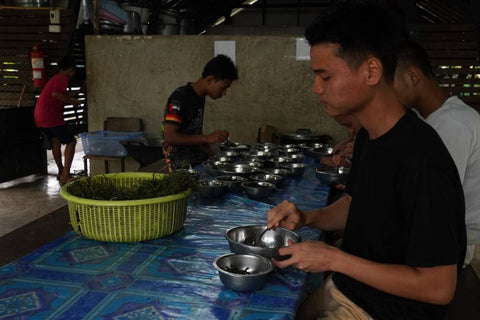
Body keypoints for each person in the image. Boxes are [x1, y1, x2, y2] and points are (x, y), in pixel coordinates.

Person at [267, 2, 466, 320]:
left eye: (326, 76)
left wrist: (333, 259)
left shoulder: (422, 160)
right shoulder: (370, 138)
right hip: (351, 289)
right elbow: (357, 203)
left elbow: (439, 287)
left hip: (386, 310)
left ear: (371, 71)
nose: (316, 87)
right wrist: (308, 217)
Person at [394, 39, 480, 266]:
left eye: (388, 84)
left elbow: (434, 199)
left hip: (462, 243)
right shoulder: (428, 117)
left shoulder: (453, 124)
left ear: (412, 77)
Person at [161, 54, 239, 170]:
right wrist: (206, 138)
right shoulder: (180, 97)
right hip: (180, 165)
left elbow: (193, 131)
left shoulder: (199, 97)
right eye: (223, 88)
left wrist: (209, 151)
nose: (224, 93)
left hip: (196, 159)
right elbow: (170, 136)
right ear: (210, 80)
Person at [34, 56, 81, 185]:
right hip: (51, 118)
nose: (73, 74)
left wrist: (79, 92)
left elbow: (61, 95)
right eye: (73, 71)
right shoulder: (62, 78)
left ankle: (61, 171)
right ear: (70, 70)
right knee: (71, 141)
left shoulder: (55, 79)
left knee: (56, 141)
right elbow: (57, 95)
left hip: (41, 117)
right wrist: (74, 102)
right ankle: (66, 175)